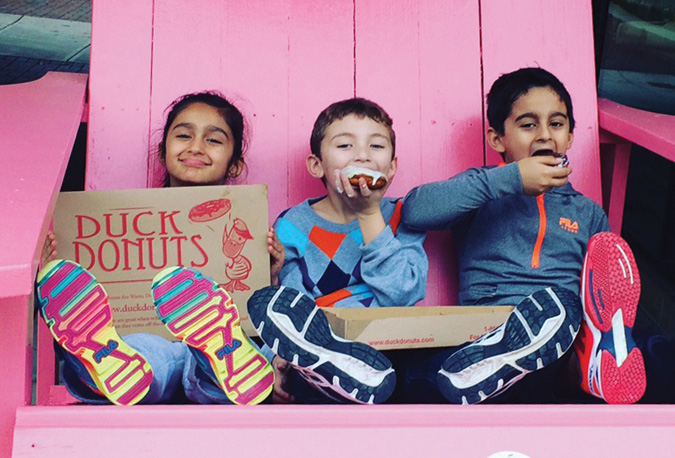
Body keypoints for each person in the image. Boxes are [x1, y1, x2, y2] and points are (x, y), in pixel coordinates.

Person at [402, 67, 646, 405]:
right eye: (528, 124)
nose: (545, 135)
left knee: (629, 344)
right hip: (486, 328)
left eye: (557, 124)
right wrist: (509, 179)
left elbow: (603, 287)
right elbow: (416, 210)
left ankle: (592, 362)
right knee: (422, 372)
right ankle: (508, 362)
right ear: (497, 139)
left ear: (571, 137)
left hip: (562, 331)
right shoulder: (482, 190)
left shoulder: (587, 212)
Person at [36, 91, 284, 406]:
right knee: (142, 352)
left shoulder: (246, 227)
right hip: (143, 338)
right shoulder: (120, 221)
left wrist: (270, 273)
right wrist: (49, 270)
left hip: (225, 337)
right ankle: (99, 365)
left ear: (235, 166)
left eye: (214, 140)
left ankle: (221, 369)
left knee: (229, 352)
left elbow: (256, 305)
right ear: (162, 150)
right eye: (183, 135)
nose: (196, 147)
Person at [246, 97, 429, 404]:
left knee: (420, 376)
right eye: (345, 146)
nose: (362, 156)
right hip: (316, 359)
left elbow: (403, 294)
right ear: (317, 165)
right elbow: (292, 310)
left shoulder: (402, 216)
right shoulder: (293, 225)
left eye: (377, 146)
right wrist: (277, 355)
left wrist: (370, 215)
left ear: (393, 166)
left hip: (387, 349)